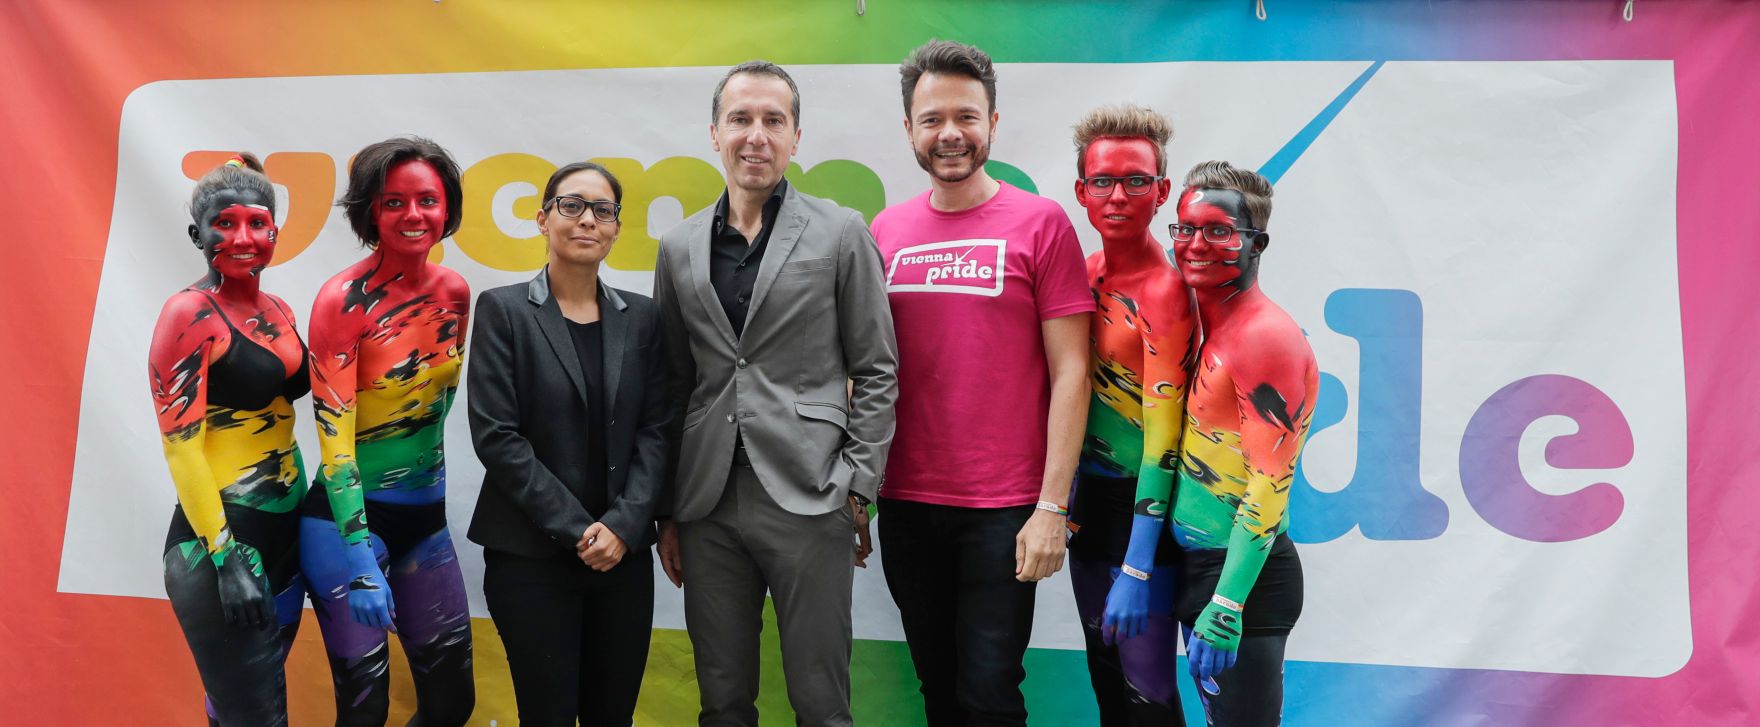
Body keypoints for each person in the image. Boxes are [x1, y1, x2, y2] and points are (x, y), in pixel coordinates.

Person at [651, 60, 899, 727]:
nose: (755, 135)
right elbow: (673, 381)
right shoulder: (677, 247)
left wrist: (857, 484)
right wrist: (667, 509)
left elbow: (877, 368)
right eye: (740, 118)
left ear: (795, 137)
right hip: (705, 502)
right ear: (714, 133)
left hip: (811, 494)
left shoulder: (842, 231)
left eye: (772, 120)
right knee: (723, 700)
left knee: (821, 702)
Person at [869, 40, 1094, 726]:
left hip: (1003, 509)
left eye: (966, 116)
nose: (950, 134)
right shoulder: (885, 230)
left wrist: (1051, 506)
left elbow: (1072, 369)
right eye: (931, 118)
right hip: (904, 501)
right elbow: (865, 370)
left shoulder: (1041, 223)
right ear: (908, 129)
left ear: (993, 123)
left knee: (990, 694)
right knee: (938, 688)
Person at [466, 161, 670, 726]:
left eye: (603, 211)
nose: (588, 220)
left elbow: (657, 431)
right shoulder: (503, 310)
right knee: (548, 715)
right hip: (532, 557)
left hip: (621, 559)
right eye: (572, 205)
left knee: (613, 717)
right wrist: (581, 530)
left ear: (615, 228)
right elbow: (496, 436)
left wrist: (624, 527)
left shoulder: (644, 318)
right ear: (542, 219)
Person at [300, 136, 475, 726]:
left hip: (425, 521)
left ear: (446, 207)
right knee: (365, 707)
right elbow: (335, 444)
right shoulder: (342, 301)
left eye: (426, 200)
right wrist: (359, 560)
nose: (412, 215)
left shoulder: (454, 294)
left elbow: (436, 411)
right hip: (347, 527)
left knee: (452, 702)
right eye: (393, 202)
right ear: (370, 212)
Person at [149, 154, 310, 726]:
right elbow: (180, 447)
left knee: (238, 712)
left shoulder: (280, 311)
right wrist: (226, 559)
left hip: (286, 536)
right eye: (225, 223)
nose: (243, 237)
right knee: (258, 720)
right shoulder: (189, 313)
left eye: (256, 223)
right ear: (198, 233)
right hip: (223, 544)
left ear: (274, 231)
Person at [1169, 161, 1315, 726]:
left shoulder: (1264, 337)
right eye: (1186, 228)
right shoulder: (1215, 327)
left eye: (1218, 231)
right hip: (1205, 568)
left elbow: (1270, 483)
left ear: (1258, 243)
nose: (1196, 244)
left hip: (1241, 585)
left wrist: (1227, 605)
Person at [1067, 105, 1197, 726]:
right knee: (1105, 680)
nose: (1118, 196)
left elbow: (1164, 443)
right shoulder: (1080, 275)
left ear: (1162, 191)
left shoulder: (1167, 294)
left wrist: (1139, 564)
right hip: (1087, 509)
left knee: (1147, 691)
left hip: (1145, 513)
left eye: (1136, 181)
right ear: (1082, 192)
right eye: (1104, 181)